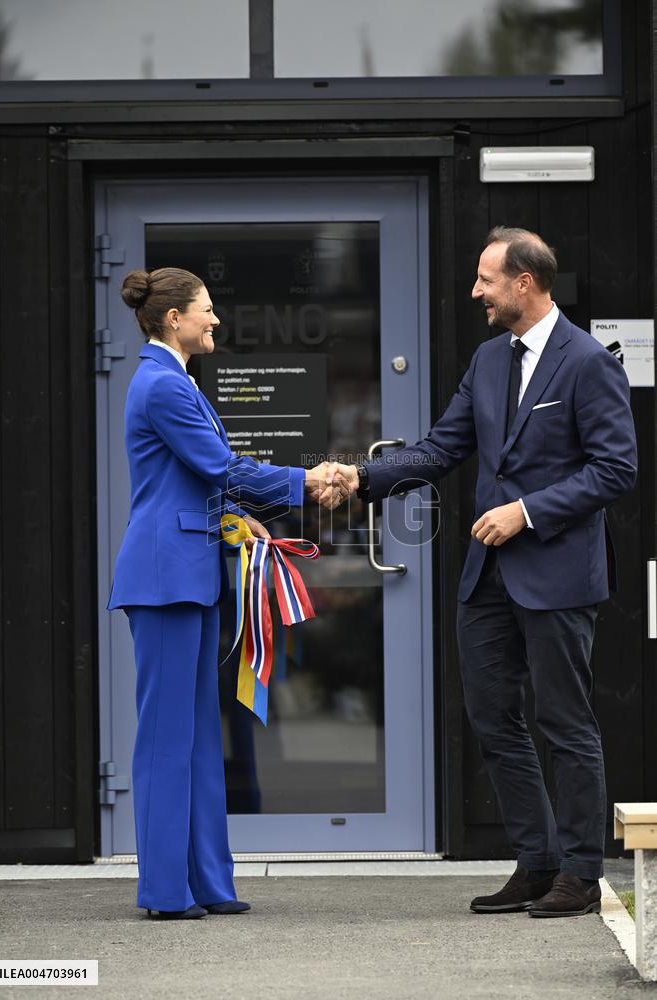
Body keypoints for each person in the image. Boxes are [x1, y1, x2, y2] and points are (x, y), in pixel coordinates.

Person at [327, 227, 637, 918]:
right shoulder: (489, 360)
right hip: (488, 577)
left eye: (485, 279)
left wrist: (525, 512)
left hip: (556, 573)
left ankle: (582, 874)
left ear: (525, 282)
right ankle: (538, 862)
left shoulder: (588, 362)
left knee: (565, 722)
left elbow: (616, 469)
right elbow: (441, 448)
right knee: (493, 720)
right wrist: (362, 475)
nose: (475, 291)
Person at [107, 267, 344, 920]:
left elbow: (211, 481)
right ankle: (163, 890)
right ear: (173, 318)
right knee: (165, 737)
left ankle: (208, 882)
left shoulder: (174, 381)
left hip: (189, 572)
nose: (216, 320)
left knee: (197, 737)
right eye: (207, 310)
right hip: (164, 580)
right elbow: (224, 469)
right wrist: (308, 479)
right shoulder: (162, 385)